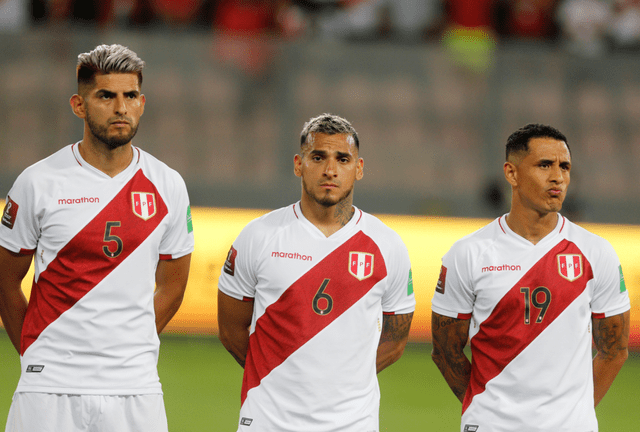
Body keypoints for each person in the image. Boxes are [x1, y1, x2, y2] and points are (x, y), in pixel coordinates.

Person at [0, 44, 194, 432]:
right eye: (106, 96)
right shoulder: (38, 182)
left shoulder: (168, 185)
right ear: (79, 105)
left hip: (135, 387)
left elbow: (173, 285)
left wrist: (127, 343)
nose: (120, 107)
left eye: (130, 96)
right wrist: (36, 350)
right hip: (48, 387)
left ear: (142, 102)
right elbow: (5, 280)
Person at [217, 113, 415, 432]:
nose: (330, 170)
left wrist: (339, 384)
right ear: (299, 164)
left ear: (359, 168)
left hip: (352, 424)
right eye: (318, 157)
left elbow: (395, 341)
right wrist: (280, 377)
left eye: (343, 159)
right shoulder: (258, 236)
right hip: (268, 421)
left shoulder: (387, 245)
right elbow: (230, 331)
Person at [431, 123, 631, 432]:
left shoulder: (596, 252)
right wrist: (484, 404)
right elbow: (445, 350)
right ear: (511, 173)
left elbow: (615, 349)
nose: (558, 177)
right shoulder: (469, 253)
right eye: (544, 165)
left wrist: (571, 413)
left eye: (565, 167)